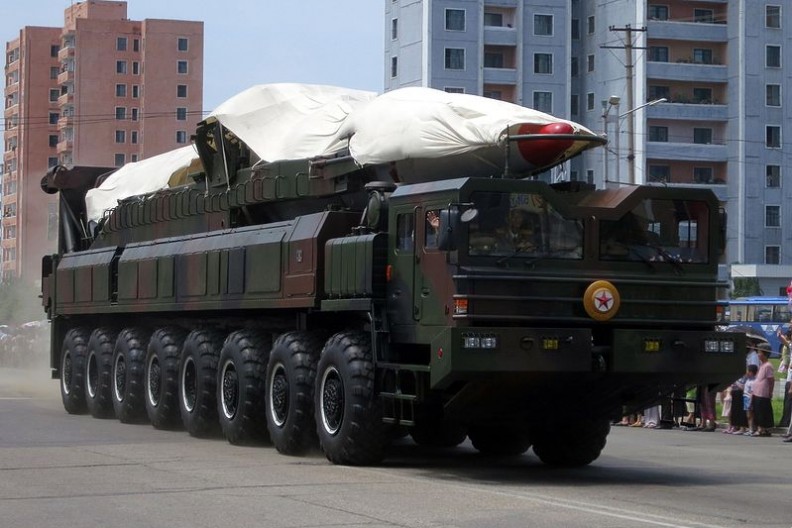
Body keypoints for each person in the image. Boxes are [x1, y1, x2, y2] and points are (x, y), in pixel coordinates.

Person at [750, 343, 775, 437]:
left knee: (762, 411)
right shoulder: (762, 365)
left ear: (764, 354)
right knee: (757, 410)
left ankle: (762, 429)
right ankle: (761, 428)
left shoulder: (768, 366)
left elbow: (771, 380)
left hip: (763, 393)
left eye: (759, 352)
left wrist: (770, 391)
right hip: (757, 392)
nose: (758, 354)